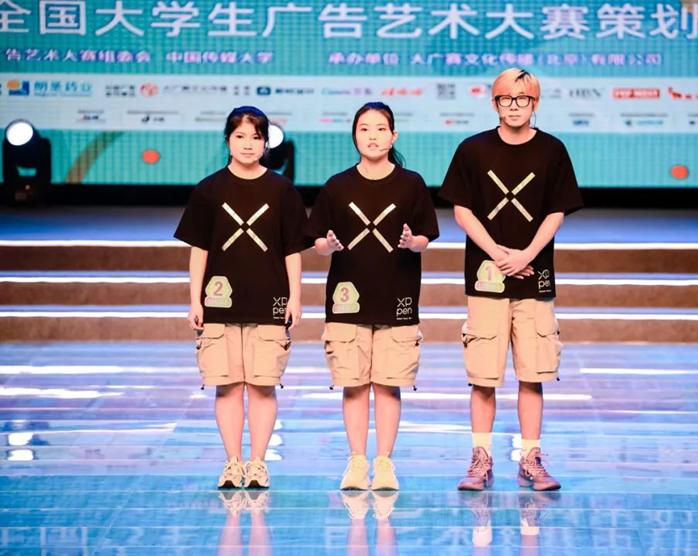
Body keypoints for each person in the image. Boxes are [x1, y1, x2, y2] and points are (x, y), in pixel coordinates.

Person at [439, 68, 583, 491]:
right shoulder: (473, 149)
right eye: (506, 98)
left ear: (534, 103)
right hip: (486, 276)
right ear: (494, 103)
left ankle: (530, 458)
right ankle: (480, 459)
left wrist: (526, 255)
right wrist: (500, 255)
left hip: (535, 275)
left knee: (532, 373)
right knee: (483, 375)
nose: (514, 106)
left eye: (523, 99)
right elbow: (461, 210)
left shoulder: (552, 150)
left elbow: (557, 210)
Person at [306, 101, 439, 491]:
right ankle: (356, 461)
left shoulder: (411, 183)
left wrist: (412, 242)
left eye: (381, 129)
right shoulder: (337, 186)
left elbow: (425, 236)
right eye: (364, 129)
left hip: (397, 296)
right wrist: (328, 246)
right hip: (347, 299)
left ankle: (384, 463)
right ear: (354, 136)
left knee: (388, 383)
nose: (373, 136)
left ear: (393, 136)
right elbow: (317, 241)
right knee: (353, 383)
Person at [174, 106, 309, 489]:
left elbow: (292, 250)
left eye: (256, 137)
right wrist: (195, 299)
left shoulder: (281, 190)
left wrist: (295, 297)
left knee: (263, 385)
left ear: (265, 143)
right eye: (240, 137)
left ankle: (258, 463)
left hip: (270, 301)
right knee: (228, 385)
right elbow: (199, 249)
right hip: (219, 302)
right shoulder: (209, 189)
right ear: (227, 141)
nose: (248, 144)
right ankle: (233, 463)